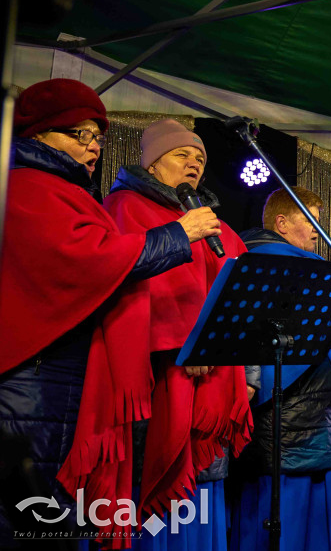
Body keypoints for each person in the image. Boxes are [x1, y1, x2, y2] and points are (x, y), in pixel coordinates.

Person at [0, 79, 216, 545]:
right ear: (39, 135)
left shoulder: (66, 190)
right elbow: (91, 258)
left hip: (58, 379)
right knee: (33, 520)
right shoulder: (30, 187)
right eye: (80, 134)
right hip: (35, 380)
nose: (94, 145)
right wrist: (179, 236)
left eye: (97, 135)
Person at [58, 118, 253, 548]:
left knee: (189, 501)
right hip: (152, 375)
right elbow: (133, 286)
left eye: (200, 158)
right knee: (143, 485)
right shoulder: (127, 205)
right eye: (182, 154)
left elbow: (234, 286)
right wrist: (187, 343)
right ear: (152, 160)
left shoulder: (203, 217)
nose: (193, 164)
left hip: (204, 370)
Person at [234, 186, 331, 551]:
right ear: (281, 223)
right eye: (309, 219)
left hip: (306, 417)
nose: (317, 229)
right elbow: (290, 328)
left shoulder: (251, 259)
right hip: (293, 418)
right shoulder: (283, 264)